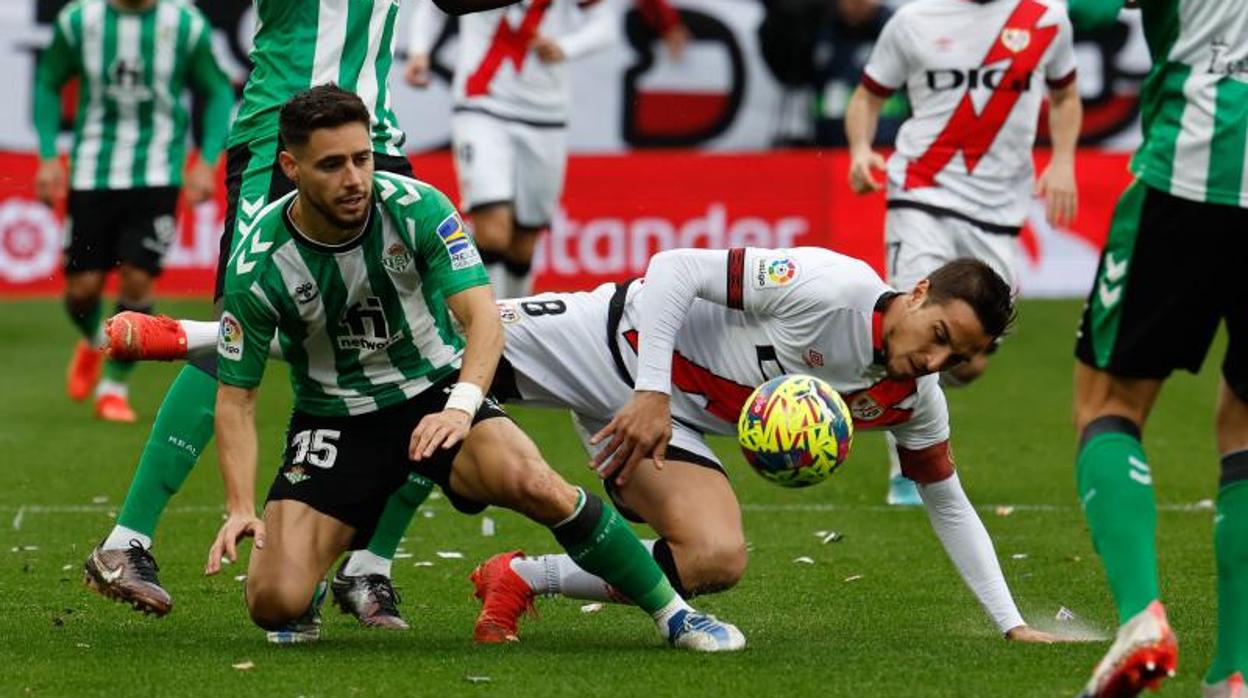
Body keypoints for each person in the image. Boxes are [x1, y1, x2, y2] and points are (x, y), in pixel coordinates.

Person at [109, 247, 1068, 646]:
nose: (937, 358)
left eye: (961, 356)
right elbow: (674, 269)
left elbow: (948, 498)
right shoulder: (828, 283)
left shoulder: (911, 400)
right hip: (604, 339)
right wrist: (650, 386)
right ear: (912, 293)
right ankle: (198, 336)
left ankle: (522, 577)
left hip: (670, 419)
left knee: (718, 558)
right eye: (939, 333)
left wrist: (1011, 621)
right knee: (409, 351)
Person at [202, 84, 743, 651]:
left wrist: (461, 406)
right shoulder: (259, 262)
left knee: (537, 483)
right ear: (290, 166)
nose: (355, 179)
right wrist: (240, 506)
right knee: (273, 604)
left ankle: (675, 615)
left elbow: (485, 320)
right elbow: (236, 398)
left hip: (434, 391)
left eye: (361, 158)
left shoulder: (418, 209)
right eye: (332, 165)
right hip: (335, 419)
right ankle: (317, 566)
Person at [81, 0, 524, 630]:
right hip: (284, 140)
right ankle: (128, 539)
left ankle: (368, 561)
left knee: (426, 344)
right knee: (240, 336)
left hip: (372, 138)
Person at [1062, 1, 1248, 696]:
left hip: (1190, 170)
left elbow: (1086, 12)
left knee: (1107, 401)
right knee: (1244, 423)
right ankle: (1234, 670)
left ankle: (1141, 616)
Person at [844, 0, 1082, 506]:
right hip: (921, 195)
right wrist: (861, 149)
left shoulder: (1045, 17)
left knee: (967, 365)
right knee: (913, 326)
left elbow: (1065, 96)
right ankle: (907, 469)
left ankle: (879, 404)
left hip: (997, 212)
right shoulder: (914, 20)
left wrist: (1063, 161)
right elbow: (867, 96)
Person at [33, 0, 234, 422]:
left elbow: (215, 90)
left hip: (158, 174)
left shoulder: (184, 23)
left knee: (138, 279)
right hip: (92, 172)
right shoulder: (79, 20)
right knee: (82, 290)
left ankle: (114, 387)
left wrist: (206, 159)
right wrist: (49, 155)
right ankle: (92, 340)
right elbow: (49, 82)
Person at [404, 0, 617, 301]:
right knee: (493, 230)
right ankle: (484, 323)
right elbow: (434, 7)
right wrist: (419, 51)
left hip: (545, 116)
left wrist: (566, 46)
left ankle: (517, 322)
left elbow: (605, 26)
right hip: (481, 106)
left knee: (524, 243)